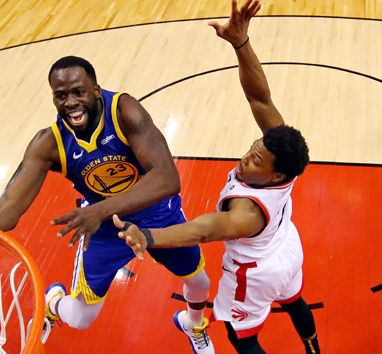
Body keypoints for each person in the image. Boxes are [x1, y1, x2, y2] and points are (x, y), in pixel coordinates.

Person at [0, 56, 215, 352]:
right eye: (61, 95)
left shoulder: (124, 111)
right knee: (82, 319)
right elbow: (6, 211)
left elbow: (167, 178)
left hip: (156, 216)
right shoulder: (49, 144)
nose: (71, 103)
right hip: (104, 233)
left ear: (96, 90)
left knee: (199, 282)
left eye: (78, 92)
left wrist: (98, 209)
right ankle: (53, 302)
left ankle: (193, 324)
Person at [113, 1, 320, 353]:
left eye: (256, 161)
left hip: (254, 272)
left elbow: (203, 230)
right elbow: (259, 96)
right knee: (295, 300)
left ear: (276, 175)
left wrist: (148, 236)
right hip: (287, 247)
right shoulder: (282, 151)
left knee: (242, 337)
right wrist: (241, 43)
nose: (246, 158)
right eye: (253, 148)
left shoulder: (248, 212)